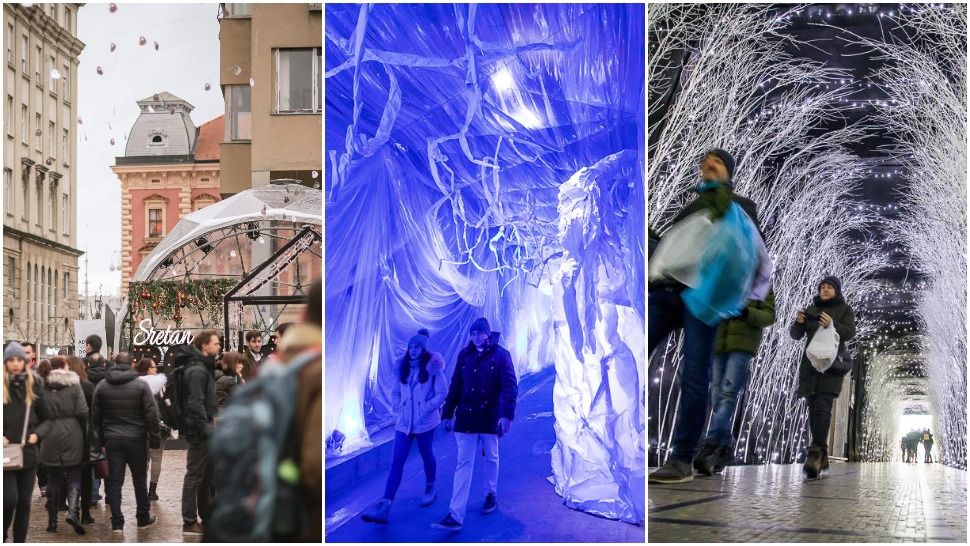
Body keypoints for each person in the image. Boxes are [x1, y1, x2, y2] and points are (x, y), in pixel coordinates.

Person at [648, 149, 762, 484]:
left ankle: (681, 458)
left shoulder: (741, 207)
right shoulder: (692, 205)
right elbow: (673, 247)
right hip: (667, 292)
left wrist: (733, 299)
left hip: (703, 298)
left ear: (728, 171)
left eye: (716, 164)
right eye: (705, 164)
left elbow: (752, 253)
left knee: (695, 377)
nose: (707, 168)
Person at [433, 318, 517, 531]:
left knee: (491, 457)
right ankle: (455, 514)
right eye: (472, 333)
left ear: (488, 334)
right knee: (463, 464)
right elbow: (455, 385)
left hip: (490, 417)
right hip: (467, 418)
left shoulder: (501, 355)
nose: (475, 336)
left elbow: (509, 386)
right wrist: (447, 413)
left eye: (479, 333)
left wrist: (506, 415)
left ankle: (490, 493)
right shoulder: (465, 355)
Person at [362, 329, 448, 524]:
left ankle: (430, 486)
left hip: (425, 422)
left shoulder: (433, 368)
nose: (413, 350)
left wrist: (425, 407)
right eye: (411, 347)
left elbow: (442, 393)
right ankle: (386, 504)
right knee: (397, 460)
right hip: (403, 422)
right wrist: (398, 407)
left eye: (417, 347)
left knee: (426, 454)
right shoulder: (403, 367)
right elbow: (395, 391)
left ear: (423, 348)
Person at [694, 290, 776, 475]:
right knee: (716, 393)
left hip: (742, 346)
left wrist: (746, 312)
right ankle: (725, 444)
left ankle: (713, 443)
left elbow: (769, 316)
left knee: (729, 392)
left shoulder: (762, 286)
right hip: (718, 343)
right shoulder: (731, 279)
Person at [790, 276, 855, 479]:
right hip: (810, 365)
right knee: (812, 406)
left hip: (831, 365)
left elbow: (850, 332)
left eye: (829, 287)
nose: (825, 290)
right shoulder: (812, 309)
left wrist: (832, 324)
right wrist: (798, 322)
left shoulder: (845, 310)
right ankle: (821, 454)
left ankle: (816, 453)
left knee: (822, 406)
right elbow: (795, 335)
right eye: (822, 287)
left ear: (836, 290)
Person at [91, 353, 160, 532]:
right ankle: (143, 517)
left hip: (112, 439)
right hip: (136, 439)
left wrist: (99, 441)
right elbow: (152, 413)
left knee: (114, 481)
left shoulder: (103, 385)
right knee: (139, 479)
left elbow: (95, 416)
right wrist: (154, 437)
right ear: (132, 363)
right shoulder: (140, 385)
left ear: (114, 363)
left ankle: (117, 522)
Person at [35, 357, 88, 535]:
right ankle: (73, 512)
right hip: (72, 432)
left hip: (49, 433)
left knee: (53, 476)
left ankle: (52, 522)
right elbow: (82, 410)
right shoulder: (74, 384)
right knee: (74, 473)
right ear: (65, 367)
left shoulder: (42, 385)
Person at [181, 331, 220, 536]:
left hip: (205, 429)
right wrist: (206, 429)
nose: (219, 346)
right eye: (215, 343)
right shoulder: (197, 370)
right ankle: (189, 521)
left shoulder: (204, 367)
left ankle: (207, 517)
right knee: (195, 476)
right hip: (199, 432)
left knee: (207, 476)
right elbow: (195, 404)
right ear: (205, 346)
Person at [3, 342, 42, 543]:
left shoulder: (35, 384)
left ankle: (20, 541)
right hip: (6, 453)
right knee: (9, 499)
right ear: (5, 362)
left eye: (19, 359)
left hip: (28, 451)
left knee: (24, 502)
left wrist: (38, 434)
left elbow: (48, 417)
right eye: (11, 360)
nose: (16, 363)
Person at [66, 357, 96, 525]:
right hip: (85, 435)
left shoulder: (64, 387)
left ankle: (72, 509)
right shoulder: (88, 386)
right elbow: (94, 412)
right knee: (85, 475)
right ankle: (85, 513)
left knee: (70, 474)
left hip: (67, 434)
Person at [136, 358, 168, 501]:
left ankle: (142, 488)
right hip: (157, 424)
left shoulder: (135, 384)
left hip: (139, 426)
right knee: (157, 458)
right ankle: (152, 491)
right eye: (154, 367)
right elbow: (166, 403)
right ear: (149, 369)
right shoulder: (160, 384)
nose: (156, 370)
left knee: (143, 459)